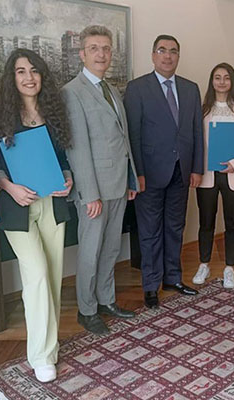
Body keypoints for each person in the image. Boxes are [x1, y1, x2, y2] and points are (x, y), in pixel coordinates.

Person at [0, 49, 73, 382]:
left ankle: (49, 346)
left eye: (34, 70)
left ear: (42, 76)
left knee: (52, 275)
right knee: (36, 275)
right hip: (17, 207)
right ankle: (41, 356)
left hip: (52, 202)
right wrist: (10, 187)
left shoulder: (53, 111)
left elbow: (63, 157)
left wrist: (68, 177)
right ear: (12, 78)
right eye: (21, 71)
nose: (28, 77)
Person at [61, 25, 138, 335]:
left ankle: (106, 300)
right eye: (94, 48)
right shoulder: (72, 92)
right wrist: (89, 194)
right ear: (82, 54)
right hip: (94, 190)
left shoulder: (112, 89)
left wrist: (130, 179)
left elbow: (124, 139)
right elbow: (77, 148)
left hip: (118, 184)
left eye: (106, 48)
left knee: (110, 249)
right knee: (91, 251)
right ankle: (87, 309)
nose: (101, 54)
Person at [124, 34, 203, 308]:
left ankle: (173, 278)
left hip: (182, 171)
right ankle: (150, 285)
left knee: (175, 227)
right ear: (153, 55)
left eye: (173, 51)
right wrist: (137, 173)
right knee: (149, 231)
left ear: (178, 56)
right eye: (162, 50)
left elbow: (196, 131)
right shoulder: (137, 88)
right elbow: (133, 135)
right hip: (149, 173)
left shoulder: (191, 89)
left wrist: (197, 167)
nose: (167, 56)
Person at [192, 63, 234, 289]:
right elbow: (196, 142)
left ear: (232, 82)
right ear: (212, 81)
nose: (221, 82)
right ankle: (204, 264)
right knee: (206, 222)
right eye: (217, 77)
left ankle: (230, 268)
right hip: (207, 174)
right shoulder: (202, 110)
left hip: (233, 174)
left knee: (233, 223)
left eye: (226, 77)